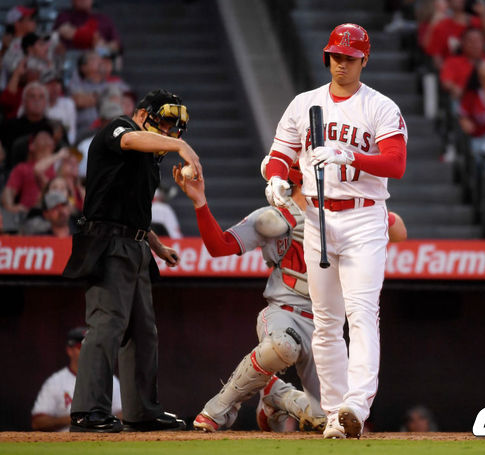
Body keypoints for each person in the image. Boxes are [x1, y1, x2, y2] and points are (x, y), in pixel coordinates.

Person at [175, 159, 407, 433]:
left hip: (325, 329)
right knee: (283, 346)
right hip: (285, 313)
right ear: (302, 179)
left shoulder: (348, 217)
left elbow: (399, 231)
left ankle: (277, 394)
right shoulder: (276, 217)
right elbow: (219, 246)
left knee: (329, 419)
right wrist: (200, 202)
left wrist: (374, 215)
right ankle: (218, 410)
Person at [263, 23, 407, 439]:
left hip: (364, 216)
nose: (341, 64)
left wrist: (351, 155)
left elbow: (395, 163)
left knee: (362, 314)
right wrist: (275, 178)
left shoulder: (379, 106)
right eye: (336, 56)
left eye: (349, 57)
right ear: (327, 57)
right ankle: (333, 414)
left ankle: (356, 408)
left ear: (365, 59)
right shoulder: (303, 104)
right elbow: (280, 153)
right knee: (326, 320)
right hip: (319, 217)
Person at [62, 89, 201, 432]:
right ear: (144, 114)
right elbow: (128, 141)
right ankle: (88, 411)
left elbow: (132, 211)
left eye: (175, 127)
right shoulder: (119, 129)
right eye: (166, 120)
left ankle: (141, 411)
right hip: (108, 243)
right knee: (106, 325)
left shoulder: (149, 157)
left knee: (143, 332)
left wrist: (156, 244)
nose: (170, 131)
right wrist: (181, 147)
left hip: (136, 247)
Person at [31, 327, 122, 431]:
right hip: (65, 442)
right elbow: (38, 421)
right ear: (70, 351)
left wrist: (96, 419)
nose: (86, 351)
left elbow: (123, 413)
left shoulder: (109, 379)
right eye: (81, 347)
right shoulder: (55, 382)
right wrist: (78, 420)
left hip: (100, 441)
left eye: (89, 347)